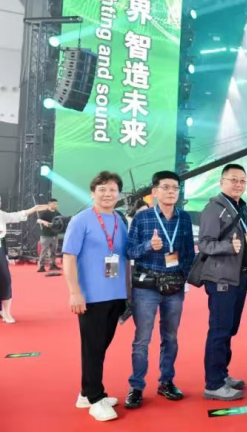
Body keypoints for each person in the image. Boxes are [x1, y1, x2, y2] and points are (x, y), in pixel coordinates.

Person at [124, 171, 195, 409]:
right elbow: (129, 251)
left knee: (171, 337)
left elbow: (189, 253)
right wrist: (148, 245)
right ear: (154, 192)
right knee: (142, 339)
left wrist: (184, 277)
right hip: (147, 286)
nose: (171, 191)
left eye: (175, 188)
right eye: (166, 187)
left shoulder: (184, 218)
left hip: (174, 287)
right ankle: (136, 386)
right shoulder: (142, 218)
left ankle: (166, 381)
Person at [62, 171, 128, 422]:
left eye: (112, 189)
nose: (107, 194)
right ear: (92, 193)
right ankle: (95, 397)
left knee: (100, 346)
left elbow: (125, 256)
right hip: (91, 297)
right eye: (102, 189)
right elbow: (69, 257)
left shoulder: (119, 220)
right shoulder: (81, 220)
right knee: (92, 348)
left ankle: (85, 393)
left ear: (118, 194)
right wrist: (74, 292)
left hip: (116, 294)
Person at [197, 164, 247, 401]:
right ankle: (213, 384)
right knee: (219, 330)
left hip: (239, 278)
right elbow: (204, 243)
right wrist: (227, 246)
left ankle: (222, 374)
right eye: (233, 179)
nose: (238, 184)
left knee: (229, 329)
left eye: (242, 181)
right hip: (221, 279)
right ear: (222, 182)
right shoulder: (213, 208)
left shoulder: (242, 208)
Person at [0, 197, 49, 323]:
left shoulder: (2, 215)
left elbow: (18, 215)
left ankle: (6, 312)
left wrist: (34, 209)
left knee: (5, 279)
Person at [37, 198, 61, 272]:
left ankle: (53, 265)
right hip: (45, 235)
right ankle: (41, 266)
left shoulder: (57, 213)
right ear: (50, 204)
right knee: (44, 251)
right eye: (54, 204)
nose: (56, 205)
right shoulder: (45, 213)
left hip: (54, 235)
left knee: (53, 251)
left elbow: (61, 220)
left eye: (56, 204)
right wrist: (45, 222)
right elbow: (38, 220)